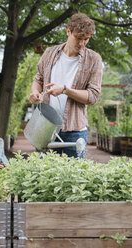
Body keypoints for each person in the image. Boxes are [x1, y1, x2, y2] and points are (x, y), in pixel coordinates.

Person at [28, 13, 103, 158]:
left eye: (86, 39)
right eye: (78, 38)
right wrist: (35, 92)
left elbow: (93, 97)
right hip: (47, 127)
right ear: (68, 31)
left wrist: (64, 90)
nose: (81, 43)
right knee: (47, 176)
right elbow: (38, 79)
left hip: (75, 130)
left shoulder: (94, 59)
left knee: (73, 178)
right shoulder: (49, 53)